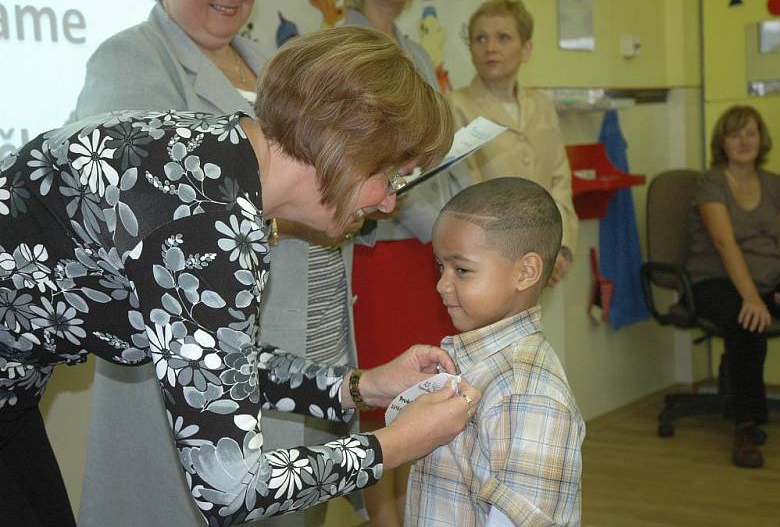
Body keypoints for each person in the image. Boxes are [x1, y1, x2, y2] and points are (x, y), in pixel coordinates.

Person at [0, 26, 482, 526]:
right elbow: (230, 487)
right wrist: (398, 442)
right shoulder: (208, 227)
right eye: (388, 178)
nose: (388, 202)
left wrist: (361, 387)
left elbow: (215, 361)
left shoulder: (215, 156)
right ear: (343, 148)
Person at [71, 0, 362, 525]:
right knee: (203, 498)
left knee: (290, 498)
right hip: (191, 345)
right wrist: (300, 213)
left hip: (296, 337)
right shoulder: (133, 56)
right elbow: (130, 219)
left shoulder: (270, 61)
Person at [341, 0, 469, 524]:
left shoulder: (414, 47)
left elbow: (434, 147)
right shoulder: (344, 43)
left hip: (424, 253)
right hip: (377, 248)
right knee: (379, 405)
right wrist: (439, 227)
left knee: (421, 389)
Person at [405, 177, 585, 526]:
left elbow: (525, 519)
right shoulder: (470, 364)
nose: (441, 284)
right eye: (440, 266)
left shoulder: (527, 391)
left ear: (526, 272)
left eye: (462, 270)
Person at [686, 105, 780, 468]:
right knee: (747, 323)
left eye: (751, 133)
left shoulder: (776, 184)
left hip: (767, 281)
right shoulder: (712, 183)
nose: (744, 141)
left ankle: (741, 395)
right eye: (735, 134)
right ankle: (747, 427)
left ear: (762, 139)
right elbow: (725, 244)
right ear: (722, 141)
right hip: (713, 281)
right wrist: (753, 299)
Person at [448, 0, 578, 286]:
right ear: (470, 49)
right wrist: (515, 255)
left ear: (526, 48)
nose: (490, 48)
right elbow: (465, 190)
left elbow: (560, 179)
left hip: (545, 259)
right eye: (480, 39)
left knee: (541, 331)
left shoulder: (541, 104)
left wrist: (559, 247)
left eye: (503, 37)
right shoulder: (456, 106)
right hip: (489, 263)